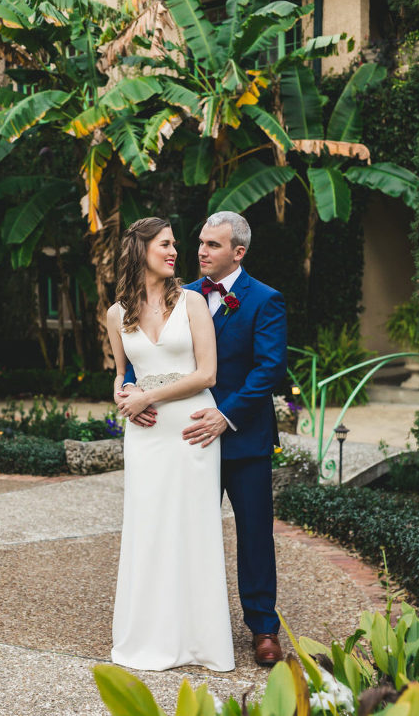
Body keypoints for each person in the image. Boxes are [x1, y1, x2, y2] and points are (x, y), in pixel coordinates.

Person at [122, 211, 287, 666]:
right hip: (185, 440)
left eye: (213, 245)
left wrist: (225, 415)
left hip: (243, 437)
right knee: (186, 531)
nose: (200, 251)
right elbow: (144, 351)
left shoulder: (265, 300)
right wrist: (131, 388)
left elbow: (269, 369)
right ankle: (188, 623)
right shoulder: (181, 295)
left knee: (254, 534)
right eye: (200, 242)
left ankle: (264, 628)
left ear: (238, 252)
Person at [106, 217, 234, 672]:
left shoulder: (193, 302)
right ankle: (150, 636)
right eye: (165, 244)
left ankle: (201, 643)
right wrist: (124, 395)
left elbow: (207, 374)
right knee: (149, 530)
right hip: (145, 435)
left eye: (175, 244)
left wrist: (149, 395)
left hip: (192, 430)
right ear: (140, 250)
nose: (175, 251)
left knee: (193, 529)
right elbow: (121, 374)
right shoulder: (116, 314)